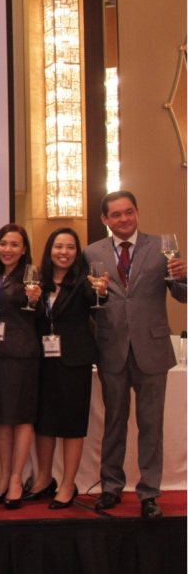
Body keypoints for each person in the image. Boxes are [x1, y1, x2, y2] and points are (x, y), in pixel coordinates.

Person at [83, 191, 187, 519]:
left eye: (129, 213)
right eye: (116, 215)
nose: (124, 219)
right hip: (112, 348)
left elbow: (182, 295)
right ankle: (111, 487)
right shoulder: (90, 252)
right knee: (113, 422)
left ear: (137, 213)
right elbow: (86, 301)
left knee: (151, 424)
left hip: (152, 349)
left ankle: (149, 493)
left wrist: (184, 277)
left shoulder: (161, 247)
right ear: (105, 220)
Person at [26, 228, 109, 510]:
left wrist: (102, 290)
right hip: (42, 360)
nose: (64, 252)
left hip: (75, 361)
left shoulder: (85, 282)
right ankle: (43, 478)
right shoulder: (38, 281)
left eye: (70, 247)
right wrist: (33, 301)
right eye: (58, 246)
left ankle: (68, 484)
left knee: (72, 424)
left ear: (77, 252)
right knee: (44, 423)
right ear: (50, 250)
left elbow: (98, 298)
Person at [0, 223, 42, 509]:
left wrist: (37, 299)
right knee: (2, 419)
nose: (8, 249)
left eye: (15, 245)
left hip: (21, 355)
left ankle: (18, 478)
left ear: (24, 250)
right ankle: (4, 475)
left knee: (21, 418)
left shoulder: (31, 276)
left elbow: (41, 312)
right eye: (3, 243)